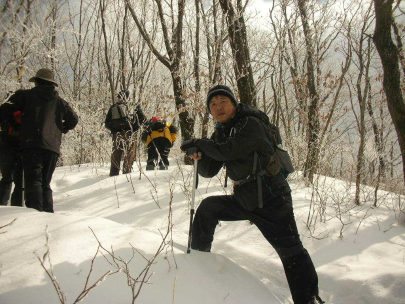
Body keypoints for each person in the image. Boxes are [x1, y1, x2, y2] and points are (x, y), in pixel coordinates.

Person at [180, 85, 324, 304]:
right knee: (208, 208)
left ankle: (308, 300)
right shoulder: (221, 132)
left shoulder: (251, 123)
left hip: (272, 197)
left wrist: (201, 143)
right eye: (213, 104)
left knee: (290, 251)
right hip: (245, 198)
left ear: (234, 104)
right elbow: (210, 171)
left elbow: (229, 150)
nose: (218, 107)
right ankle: (199, 264)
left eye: (223, 102)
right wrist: (199, 156)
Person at [3, 68, 78, 213]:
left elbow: (6, 109)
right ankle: (48, 214)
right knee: (45, 183)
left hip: (31, 144)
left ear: (36, 81)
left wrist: (17, 126)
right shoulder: (60, 102)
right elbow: (74, 119)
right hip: (52, 147)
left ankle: (35, 215)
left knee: (33, 181)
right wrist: (62, 128)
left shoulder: (26, 96)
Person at [105, 90, 146, 176]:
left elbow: (107, 123)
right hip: (130, 134)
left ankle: (113, 174)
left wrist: (114, 130)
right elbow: (143, 120)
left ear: (119, 97)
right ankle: (127, 174)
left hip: (117, 134)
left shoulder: (113, 107)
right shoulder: (134, 106)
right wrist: (135, 129)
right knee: (129, 155)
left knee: (116, 155)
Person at [0, 92, 23, 207]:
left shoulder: (5, 108)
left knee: (6, 178)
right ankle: (17, 207)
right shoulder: (27, 109)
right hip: (21, 147)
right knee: (20, 181)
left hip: (5, 146)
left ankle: (2, 205)